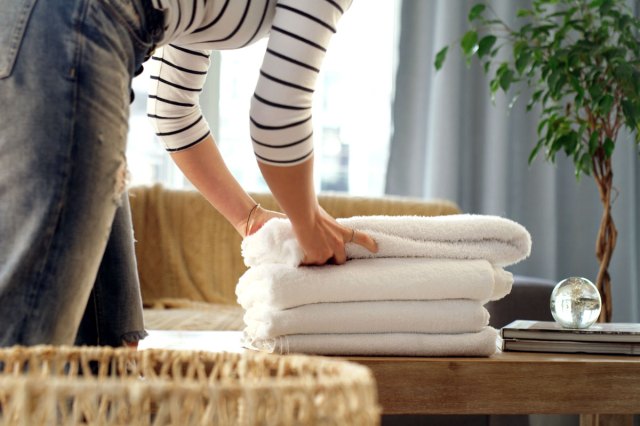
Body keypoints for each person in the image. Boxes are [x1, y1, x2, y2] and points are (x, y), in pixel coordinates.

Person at [0, 0, 378, 348]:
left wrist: (249, 218)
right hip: (69, 27)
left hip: (53, 29)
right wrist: (307, 223)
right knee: (28, 349)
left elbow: (172, 108)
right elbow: (278, 112)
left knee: (111, 344)